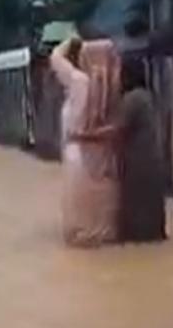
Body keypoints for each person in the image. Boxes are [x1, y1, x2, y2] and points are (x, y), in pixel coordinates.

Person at [73, 57, 167, 243]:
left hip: (138, 163)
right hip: (150, 161)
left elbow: (116, 130)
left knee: (136, 209)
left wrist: (84, 136)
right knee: (150, 209)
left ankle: (139, 242)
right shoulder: (145, 96)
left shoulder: (133, 99)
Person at [51, 37, 122, 247]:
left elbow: (55, 58)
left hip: (79, 158)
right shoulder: (112, 93)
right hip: (104, 160)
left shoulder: (79, 81)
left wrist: (69, 41)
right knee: (101, 227)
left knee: (79, 233)